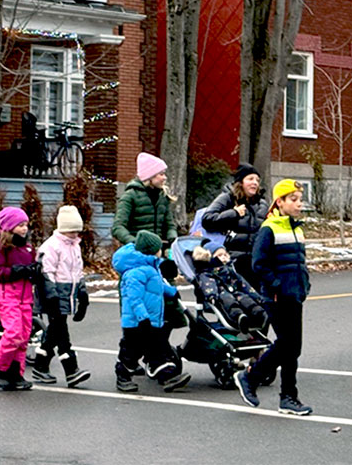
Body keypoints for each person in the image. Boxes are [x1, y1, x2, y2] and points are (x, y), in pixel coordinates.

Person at [234, 179, 313, 415]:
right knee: (286, 344)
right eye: (293, 199)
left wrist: (304, 284)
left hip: (295, 295)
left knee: (293, 348)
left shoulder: (296, 228)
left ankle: (288, 397)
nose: (299, 204)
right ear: (280, 202)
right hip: (277, 297)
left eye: (300, 199)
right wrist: (276, 285)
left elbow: (300, 263)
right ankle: (250, 377)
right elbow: (259, 264)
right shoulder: (269, 229)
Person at [112, 230, 191, 393]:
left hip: (152, 320)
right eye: (159, 248)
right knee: (131, 351)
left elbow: (156, 287)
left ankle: (166, 375)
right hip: (137, 322)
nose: (161, 251)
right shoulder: (136, 272)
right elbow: (134, 298)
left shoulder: (150, 267)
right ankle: (123, 375)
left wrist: (171, 291)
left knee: (157, 348)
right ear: (152, 250)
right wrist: (143, 317)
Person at [32, 205, 91, 388]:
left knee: (54, 331)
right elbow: (45, 271)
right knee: (61, 330)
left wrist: (82, 293)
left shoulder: (75, 247)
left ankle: (40, 365)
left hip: (68, 291)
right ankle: (71, 369)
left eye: (76, 230)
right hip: (55, 293)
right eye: (71, 230)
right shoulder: (51, 246)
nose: (74, 234)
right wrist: (51, 294)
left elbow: (78, 270)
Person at [0, 207, 38, 390]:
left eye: (26, 225)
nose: (24, 229)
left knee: (23, 337)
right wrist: (16, 271)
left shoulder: (28, 248)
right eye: (20, 225)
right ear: (10, 227)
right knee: (14, 333)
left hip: (25, 298)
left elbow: (32, 268)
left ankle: (16, 372)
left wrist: (34, 272)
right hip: (8, 297)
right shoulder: (1, 248)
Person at [201, 163, 265, 283]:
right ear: (240, 182)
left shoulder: (261, 204)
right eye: (250, 179)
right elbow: (207, 219)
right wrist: (233, 213)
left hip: (256, 261)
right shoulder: (227, 198)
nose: (255, 183)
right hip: (232, 261)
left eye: (257, 180)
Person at [191, 245, 267, 331]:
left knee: (246, 299)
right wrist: (211, 295)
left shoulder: (228, 269)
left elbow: (243, 284)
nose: (223, 257)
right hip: (220, 294)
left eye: (225, 254)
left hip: (235, 292)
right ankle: (239, 317)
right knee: (229, 301)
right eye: (219, 255)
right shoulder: (206, 273)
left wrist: (258, 297)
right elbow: (208, 284)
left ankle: (261, 313)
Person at [111, 153, 178, 247]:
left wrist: (173, 239)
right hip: (137, 252)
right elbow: (118, 227)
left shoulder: (163, 197)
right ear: (150, 176)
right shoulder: (130, 196)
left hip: (159, 251)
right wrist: (136, 243)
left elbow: (170, 225)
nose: (165, 178)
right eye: (161, 174)